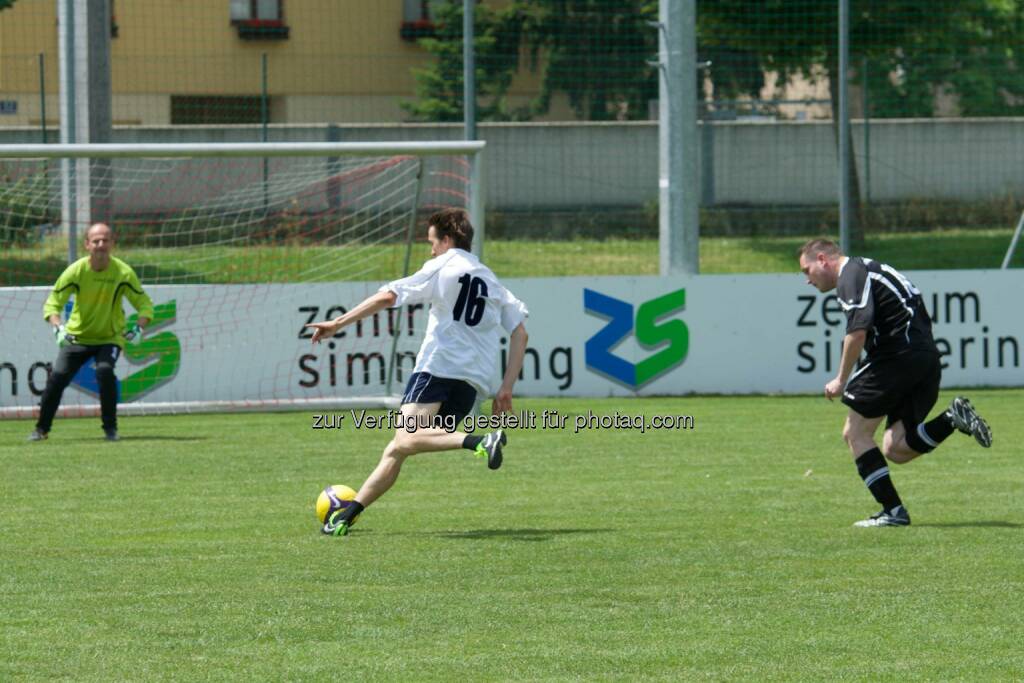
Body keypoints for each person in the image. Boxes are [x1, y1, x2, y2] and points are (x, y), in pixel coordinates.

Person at [307, 208, 529, 537]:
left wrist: (337, 323)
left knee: (407, 437)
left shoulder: (442, 266)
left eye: (432, 242)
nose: (430, 249)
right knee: (400, 447)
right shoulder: (492, 281)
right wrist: (506, 388)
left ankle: (481, 443)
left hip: (438, 367)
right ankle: (346, 516)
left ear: (448, 240)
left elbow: (388, 296)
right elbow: (520, 333)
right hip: (473, 381)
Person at [797, 238, 992, 527]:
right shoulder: (869, 270)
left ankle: (893, 511)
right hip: (925, 359)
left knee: (855, 433)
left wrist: (840, 379)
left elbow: (857, 331)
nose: (807, 280)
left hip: (896, 356)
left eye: (806, 270)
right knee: (896, 448)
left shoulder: (851, 274)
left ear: (823, 259)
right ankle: (952, 418)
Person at [28, 223, 154, 442]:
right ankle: (41, 430)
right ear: (87, 245)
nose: (101, 245)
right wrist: (58, 327)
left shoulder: (123, 272)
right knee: (57, 378)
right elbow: (52, 305)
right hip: (77, 336)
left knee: (105, 372)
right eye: (96, 241)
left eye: (105, 240)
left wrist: (139, 327)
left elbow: (145, 304)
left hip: (110, 338)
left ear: (113, 243)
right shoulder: (75, 271)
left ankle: (110, 429)